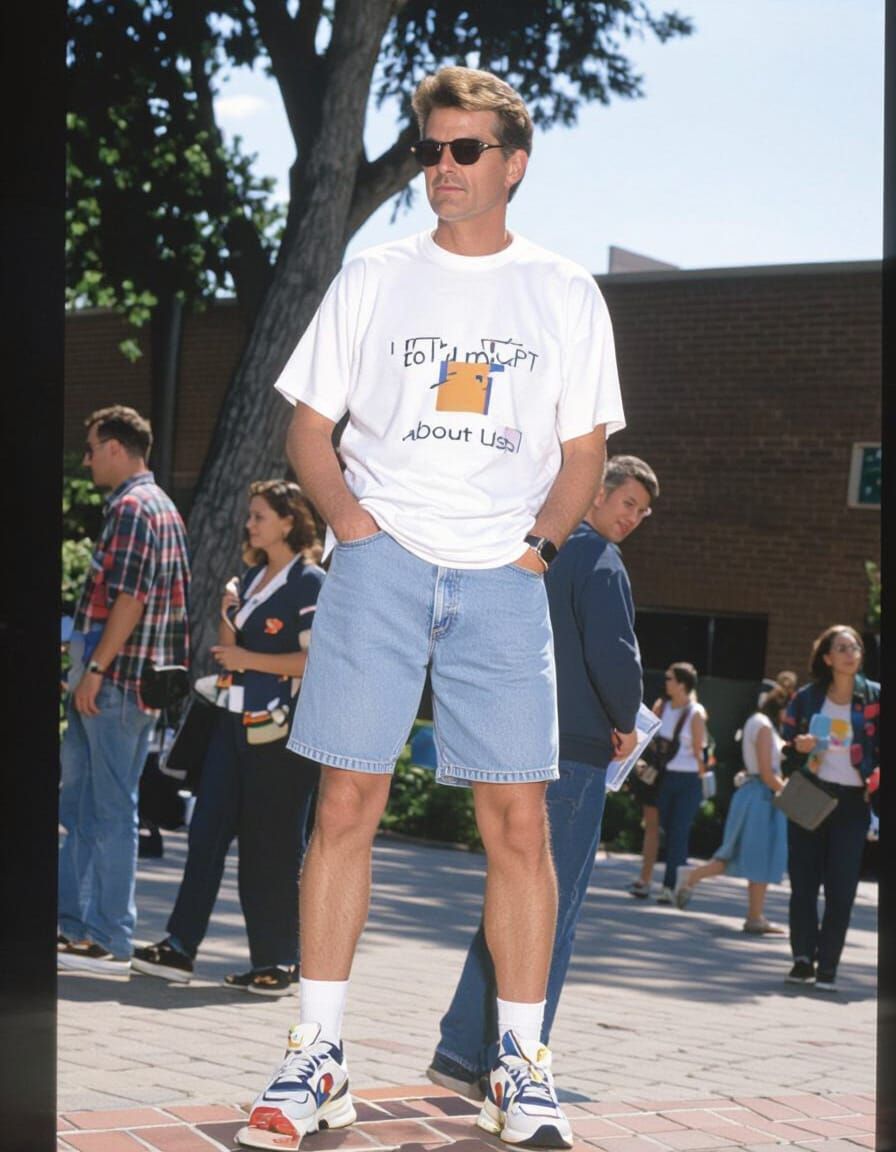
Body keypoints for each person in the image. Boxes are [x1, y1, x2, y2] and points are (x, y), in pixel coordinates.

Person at [237, 66, 624, 1152]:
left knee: (517, 823)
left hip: (504, 577)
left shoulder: (560, 291)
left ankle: (520, 1065)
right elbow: (310, 428)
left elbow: (584, 448)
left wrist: (539, 550)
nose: (441, 170)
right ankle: (316, 1057)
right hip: (381, 564)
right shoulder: (373, 277)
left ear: (512, 162)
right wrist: (354, 533)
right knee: (346, 805)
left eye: (463, 151)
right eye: (429, 151)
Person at [425, 455, 657, 1099]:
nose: (632, 518)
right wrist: (626, 719)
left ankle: (461, 1052)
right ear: (593, 494)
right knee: (550, 908)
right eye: (626, 502)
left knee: (511, 894)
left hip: (513, 740)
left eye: (641, 511)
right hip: (576, 752)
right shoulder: (600, 560)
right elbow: (615, 653)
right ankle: (516, 1063)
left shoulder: (530, 551)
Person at [132, 481, 324, 996]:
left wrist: (249, 660)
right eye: (250, 516)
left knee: (272, 849)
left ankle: (279, 962)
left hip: (281, 738)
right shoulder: (252, 577)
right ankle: (179, 947)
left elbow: (316, 661)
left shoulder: (310, 582)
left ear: (289, 521)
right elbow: (226, 652)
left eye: (260, 515)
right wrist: (226, 609)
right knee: (205, 836)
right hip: (230, 726)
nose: (250, 523)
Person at [58, 406, 191, 975]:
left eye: (91, 448)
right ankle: (78, 928)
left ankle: (107, 936)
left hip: (116, 685)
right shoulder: (158, 507)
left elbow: (129, 600)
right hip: (127, 685)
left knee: (108, 810)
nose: (86, 460)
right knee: (84, 805)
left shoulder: (135, 508)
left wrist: (94, 670)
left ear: (116, 448)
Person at [780, 625, 879, 991]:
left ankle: (828, 966)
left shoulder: (875, 699)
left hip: (854, 800)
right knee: (803, 882)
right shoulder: (806, 699)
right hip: (810, 790)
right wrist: (798, 749)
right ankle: (803, 959)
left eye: (855, 647)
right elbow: (784, 751)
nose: (851, 653)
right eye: (842, 648)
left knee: (841, 887)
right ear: (827, 657)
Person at [674, 685, 789, 932]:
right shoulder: (765, 727)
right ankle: (754, 915)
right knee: (758, 853)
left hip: (752, 793)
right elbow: (767, 773)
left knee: (736, 852)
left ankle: (694, 879)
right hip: (761, 797)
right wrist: (792, 795)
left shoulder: (754, 722)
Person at [651, 662, 707, 905]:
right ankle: (680, 882)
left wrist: (704, 777)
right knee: (665, 828)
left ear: (682, 684)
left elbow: (699, 750)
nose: (666, 682)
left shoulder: (695, 712)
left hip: (688, 779)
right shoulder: (661, 707)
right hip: (666, 776)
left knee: (679, 833)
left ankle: (670, 886)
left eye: (670, 678)